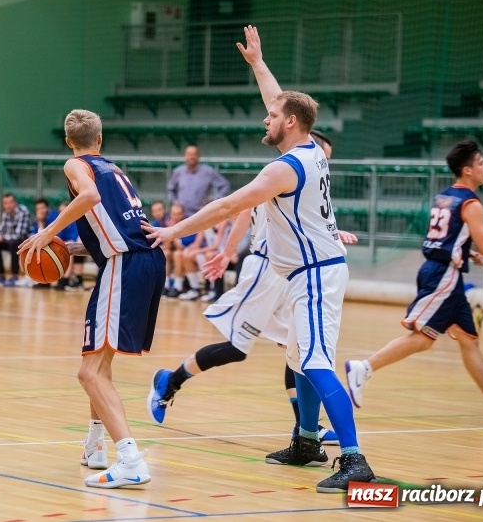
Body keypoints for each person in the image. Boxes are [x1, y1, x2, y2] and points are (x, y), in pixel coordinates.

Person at [142, 25, 375, 493]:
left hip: (314, 275)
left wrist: (171, 231)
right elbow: (279, 100)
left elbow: (227, 206)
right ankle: (306, 441)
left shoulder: (282, 170)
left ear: (290, 123)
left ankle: (354, 459)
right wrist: (258, 64)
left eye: (272, 117)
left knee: (316, 362)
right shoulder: (311, 148)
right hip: (303, 273)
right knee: (300, 359)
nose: (265, 120)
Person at [147, 129, 351, 447]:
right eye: (323, 156)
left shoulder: (309, 179)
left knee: (296, 349)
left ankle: (306, 428)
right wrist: (227, 250)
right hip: (265, 269)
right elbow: (241, 208)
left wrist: (335, 235)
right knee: (239, 349)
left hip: (290, 274)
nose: (324, 162)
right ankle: (169, 381)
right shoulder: (285, 171)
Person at [19, 109, 165, 489]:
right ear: (100, 138)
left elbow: (88, 195)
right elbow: (115, 228)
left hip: (125, 265)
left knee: (88, 373)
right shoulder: (113, 169)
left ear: (69, 142)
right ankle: (95, 444)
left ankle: (130, 460)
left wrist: (47, 232)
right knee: (98, 362)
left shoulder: (75, 165)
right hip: (148, 260)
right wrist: (69, 247)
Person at [345, 140, 483, 419]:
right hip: (444, 276)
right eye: (481, 163)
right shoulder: (471, 203)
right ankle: (363, 368)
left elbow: (443, 238)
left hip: (442, 271)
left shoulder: (444, 197)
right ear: (468, 170)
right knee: (422, 338)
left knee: (468, 339)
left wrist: (465, 251)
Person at [167, 145, 230, 217]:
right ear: (185, 156)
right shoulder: (178, 172)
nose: (192, 157)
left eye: (194, 154)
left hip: (201, 214)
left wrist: (214, 200)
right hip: (181, 215)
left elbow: (224, 185)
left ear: (198, 156)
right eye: (189, 154)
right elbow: (170, 188)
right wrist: (175, 202)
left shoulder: (208, 172)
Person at [0, 193, 31, 287]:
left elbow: (20, 235)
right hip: (11, 240)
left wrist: (1, 238)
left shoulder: (23, 212)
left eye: (11, 202)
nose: (8, 205)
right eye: (6, 203)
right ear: (3, 205)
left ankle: (14, 276)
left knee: (14, 244)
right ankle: (0, 275)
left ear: (15, 202)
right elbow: (0, 229)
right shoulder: (5, 213)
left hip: (26, 241)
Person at [54, 201, 86, 291]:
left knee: (69, 249)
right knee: (66, 248)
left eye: (64, 211)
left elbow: (75, 238)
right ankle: (75, 280)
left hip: (79, 243)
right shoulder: (60, 223)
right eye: (60, 212)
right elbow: (58, 237)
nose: (62, 214)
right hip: (69, 244)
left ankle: (66, 280)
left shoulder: (76, 221)